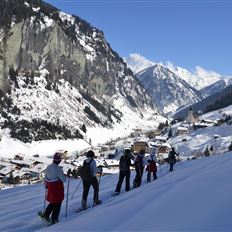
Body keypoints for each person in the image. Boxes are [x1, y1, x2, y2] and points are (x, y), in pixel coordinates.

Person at [38, 153, 66, 225]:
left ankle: (46, 215)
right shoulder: (58, 169)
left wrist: (46, 185)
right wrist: (65, 175)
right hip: (57, 187)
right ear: (59, 161)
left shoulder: (48, 167)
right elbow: (63, 179)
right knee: (58, 202)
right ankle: (54, 219)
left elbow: (45, 178)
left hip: (50, 186)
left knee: (53, 202)